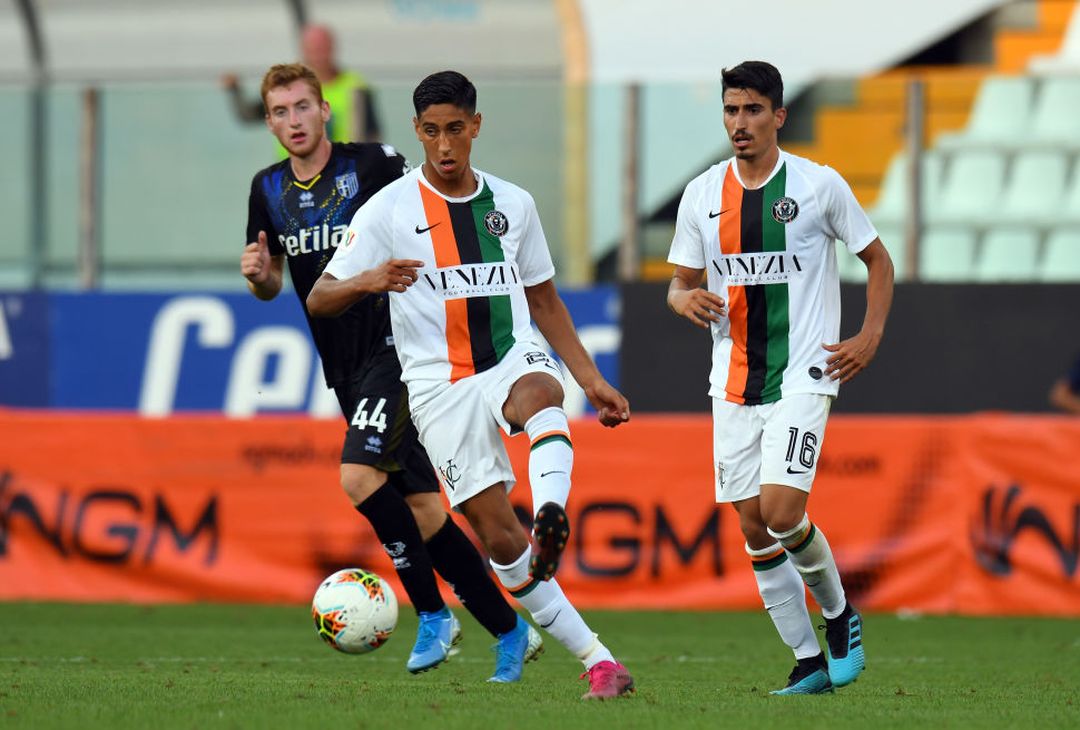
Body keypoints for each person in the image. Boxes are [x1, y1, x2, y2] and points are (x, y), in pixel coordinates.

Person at [307, 70, 636, 700]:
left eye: (455, 129)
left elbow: (543, 299)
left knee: (543, 395)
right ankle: (600, 662)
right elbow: (322, 297)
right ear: (417, 132)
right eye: (431, 132)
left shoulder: (513, 205)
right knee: (497, 541)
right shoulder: (389, 210)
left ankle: (550, 512)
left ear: (475, 126)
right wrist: (369, 280)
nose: (445, 145)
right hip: (436, 387)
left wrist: (590, 378)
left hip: (509, 356)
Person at [241, 62, 541, 682]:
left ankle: (432, 612)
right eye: (279, 111)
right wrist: (260, 276)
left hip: (397, 349)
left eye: (302, 107)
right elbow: (277, 285)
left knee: (357, 476)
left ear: (325, 111)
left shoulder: (373, 164)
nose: (293, 121)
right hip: (342, 364)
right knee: (427, 509)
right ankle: (510, 631)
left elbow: (434, 211)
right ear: (269, 121)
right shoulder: (266, 189)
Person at [665, 61, 894, 695]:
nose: (740, 123)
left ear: (779, 116)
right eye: (732, 111)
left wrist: (869, 335)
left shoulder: (818, 186)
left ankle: (840, 616)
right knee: (750, 524)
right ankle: (806, 662)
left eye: (753, 111)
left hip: (804, 373)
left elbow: (877, 260)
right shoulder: (702, 195)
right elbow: (679, 285)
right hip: (732, 379)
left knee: (783, 510)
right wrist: (682, 300)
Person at [224, 24, 381, 145]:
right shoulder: (286, 85)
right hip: (292, 177)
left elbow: (372, 135)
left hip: (342, 174)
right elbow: (249, 114)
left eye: (322, 48)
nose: (294, 121)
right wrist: (234, 90)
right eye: (313, 49)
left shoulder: (355, 86)